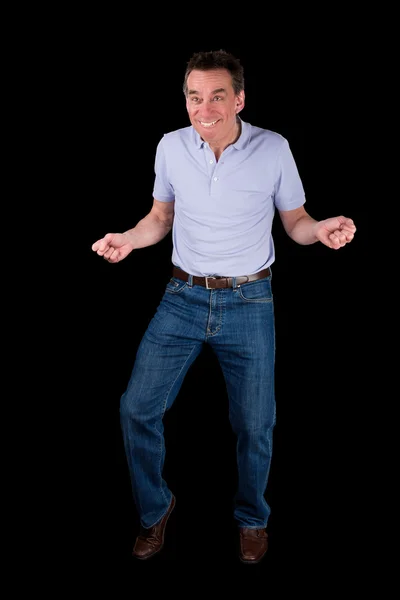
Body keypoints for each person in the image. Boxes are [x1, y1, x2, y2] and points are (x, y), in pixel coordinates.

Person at [92, 49, 356, 563]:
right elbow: (159, 218)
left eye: (217, 96)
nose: (204, 108)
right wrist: (127, 237)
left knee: (256, 423)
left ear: (238, 99)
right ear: (186, 101)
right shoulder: (170, 147)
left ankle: (252, 517)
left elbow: (297, 222)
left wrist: (320, 230)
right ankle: (154, 510)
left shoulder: (273, 148)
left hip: (249, 300)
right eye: (195, 97)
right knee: (135, 409)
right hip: (183, 298)